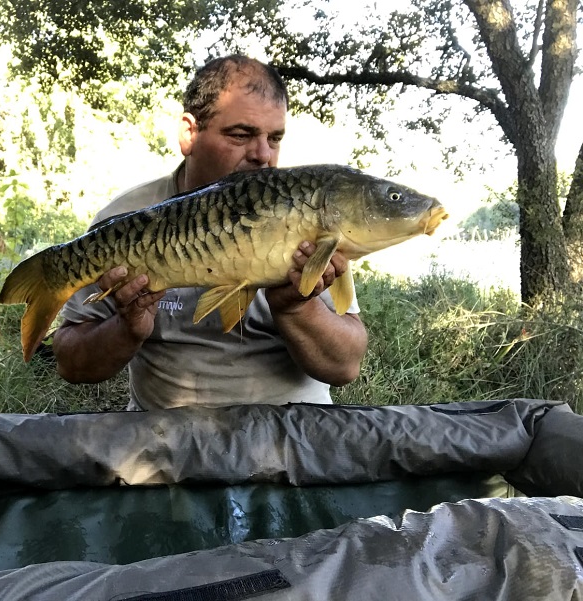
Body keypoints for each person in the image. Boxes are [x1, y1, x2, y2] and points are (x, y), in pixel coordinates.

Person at [53, 55, 368, 410]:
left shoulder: (302, 214)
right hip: (162, 435)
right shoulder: (126, 219)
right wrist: (126, 329)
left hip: (290, 432)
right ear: (189, 133)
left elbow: (345, 365)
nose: (263, 155)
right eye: (240, 134)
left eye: (275, 138)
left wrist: (297, 309)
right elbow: (70, 362)